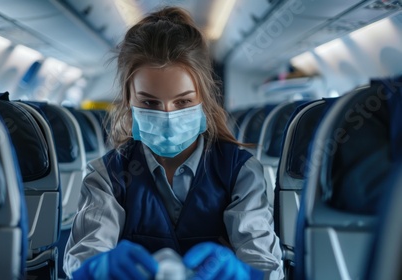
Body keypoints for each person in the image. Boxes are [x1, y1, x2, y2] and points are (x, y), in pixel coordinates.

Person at [63, 6, 284, 280]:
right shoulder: (107, 175)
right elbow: (84, 257)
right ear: (128, 102)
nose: (167, 116)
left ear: (203, 99)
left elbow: (265, 265)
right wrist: (96, 269)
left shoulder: (240, 171)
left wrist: (247, 275)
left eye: (183, 102)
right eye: (149, 102)